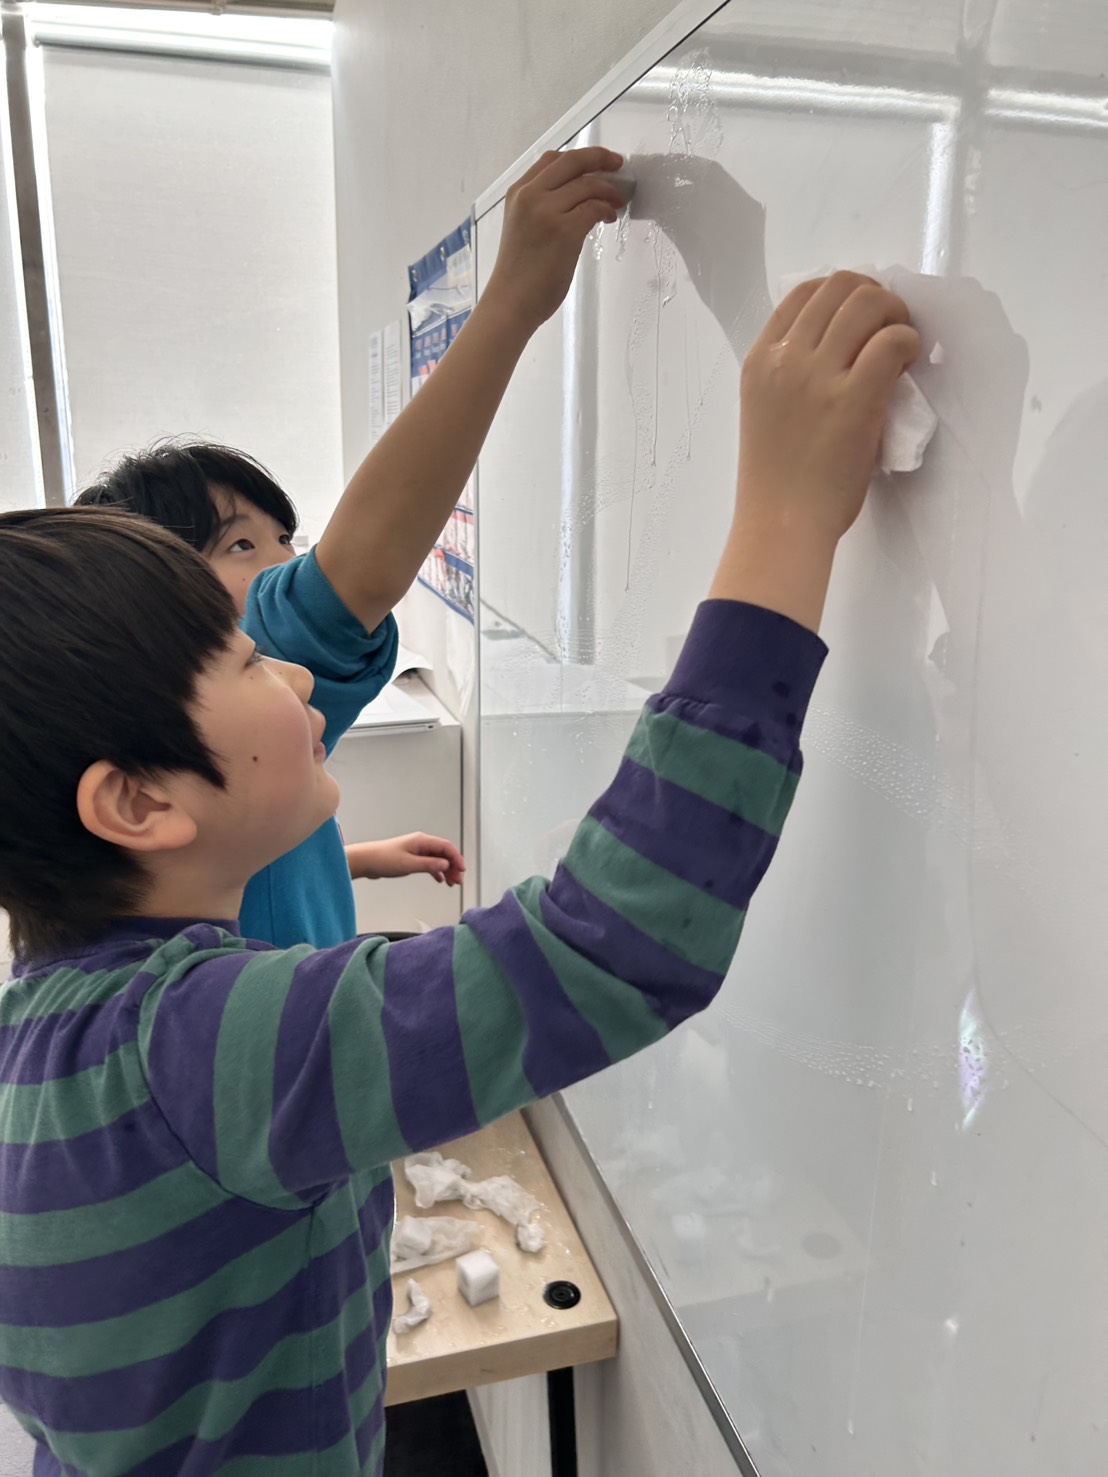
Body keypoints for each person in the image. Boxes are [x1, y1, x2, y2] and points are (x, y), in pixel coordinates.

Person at [0, 273, 919, 1475]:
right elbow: (610, 947)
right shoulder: (195, 1049)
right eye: (243, 660)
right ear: (138, 803)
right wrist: (787, 516)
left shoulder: (52, 1013)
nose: (295, 673)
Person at [75, 147, 632, 948]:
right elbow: (358, 572)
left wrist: (362, 859)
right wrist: (511, 302)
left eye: (284, 539)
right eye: (240, 545)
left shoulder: (213, 736)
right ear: (150, 589)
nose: (283, 565)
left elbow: (251, 858)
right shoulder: (226, 691)